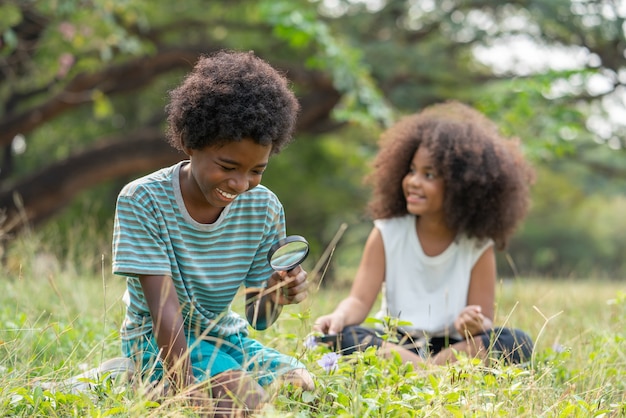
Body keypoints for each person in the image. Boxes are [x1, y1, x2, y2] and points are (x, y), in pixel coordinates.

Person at [112, 50, 314, 416]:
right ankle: (132, 377)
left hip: (224, 337)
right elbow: (164, 313)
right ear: (191, 143)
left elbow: (259, 319)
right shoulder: (143, 199)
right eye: (228, 166)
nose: (240, 183)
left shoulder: (264, 208)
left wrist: (277, 290)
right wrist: (189, 395)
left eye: (257, 170)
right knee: (245, 402)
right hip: (157, 342)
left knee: (302, 387)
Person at [313, 101, 535, 367]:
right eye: (411, 170)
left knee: (517, 342)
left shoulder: (477, 246)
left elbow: (483, 321)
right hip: (395, 342)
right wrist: (338, 316)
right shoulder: (387, 232)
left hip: (452, 345)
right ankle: (436, 374)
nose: (413, 182)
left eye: (428, 174)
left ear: (461, 186)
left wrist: (472, 323)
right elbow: (359, 300)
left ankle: (420, 371)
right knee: (343, 337)